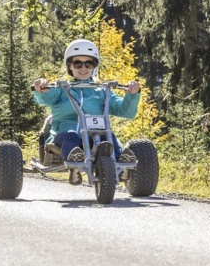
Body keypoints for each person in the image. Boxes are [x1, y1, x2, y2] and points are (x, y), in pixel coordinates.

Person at [32, 39, 140, 183]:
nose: (83, 68)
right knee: (71, 136)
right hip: (65, 136)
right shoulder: (61, 88)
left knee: (109, 137)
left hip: (95, 136)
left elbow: (126, 111)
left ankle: (120, 163)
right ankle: (74, 166)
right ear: (70, 65)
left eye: (88, 63)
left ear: (94, 66)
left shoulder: (102, 90)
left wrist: (132, 95)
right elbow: (44, 98)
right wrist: (41, 88)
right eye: (78, 63)